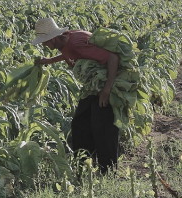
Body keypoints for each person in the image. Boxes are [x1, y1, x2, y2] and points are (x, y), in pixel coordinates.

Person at [32, 17, 120, 173]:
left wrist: (106, 90)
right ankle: (85, 166)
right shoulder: (65, 40)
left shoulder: (75, 42)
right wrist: (49, 61)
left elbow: (113, 57)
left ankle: (108, 171)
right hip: (93, 86)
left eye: (44, 41)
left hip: (106, 84)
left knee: (103, 127)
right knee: (80, 124)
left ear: (53, 38)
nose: (44, 44)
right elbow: (68, 53)